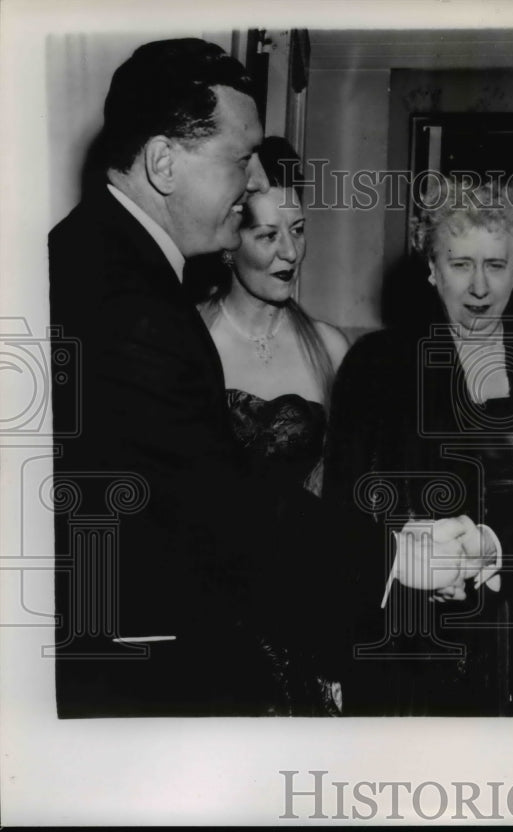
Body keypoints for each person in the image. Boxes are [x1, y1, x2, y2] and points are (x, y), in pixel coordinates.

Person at [48, 39, 294, 716]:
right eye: (240, 159)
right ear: (162, 162)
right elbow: (221, 513)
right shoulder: (132, 306)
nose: (253, 185)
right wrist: (394, 555)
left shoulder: (88, 254)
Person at [322, 176, 513, 715]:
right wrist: (409, 554)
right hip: (412, 652)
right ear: (432, 270)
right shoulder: (377, 366)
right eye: (460, 264)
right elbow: (342, 515)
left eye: (496, 265)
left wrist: (495, 546)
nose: (479, 287)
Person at [200, 136, 349, 501]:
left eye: (297, 230)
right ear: (229, 245)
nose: (291, 251)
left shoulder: (330, 348)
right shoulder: (189, 335)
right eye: (268, 236)